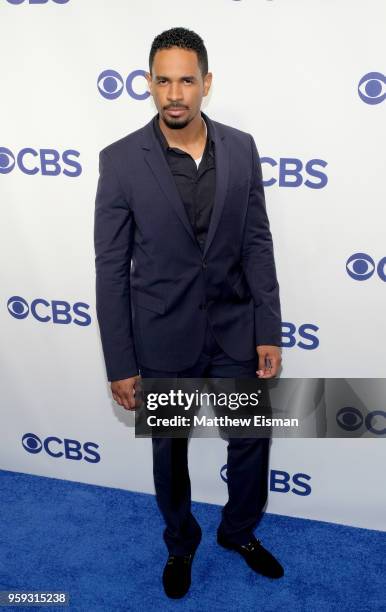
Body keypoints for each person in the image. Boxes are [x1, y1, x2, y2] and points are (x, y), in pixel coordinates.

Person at [94, 26, 284, 599]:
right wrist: (120, 363)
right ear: (149, 84)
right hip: (162, 336)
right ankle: (181, 541)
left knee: (251, 439)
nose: (174, 93)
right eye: (163, 80)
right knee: (169, 451)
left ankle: (239, 531)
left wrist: (267, 329)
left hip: (234, 330)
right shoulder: (121, 160)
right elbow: (111, 268)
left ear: (206, 83)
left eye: (186, 80)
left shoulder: (242, 147)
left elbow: (257, 241)